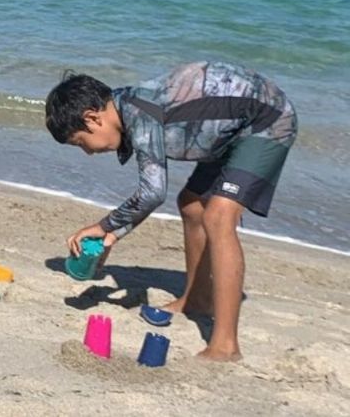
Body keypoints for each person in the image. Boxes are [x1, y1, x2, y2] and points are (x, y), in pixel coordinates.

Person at [44, 61, 297, 361]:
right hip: (229, 131)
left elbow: (152, 193)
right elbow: (152, 194)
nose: (88, 152)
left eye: (81, 143)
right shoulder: (125, 107)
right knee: (191, 204)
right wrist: (114, 235)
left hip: (266, 121)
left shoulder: (139, 114)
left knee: (218, 216)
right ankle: (198, 300)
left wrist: (104, 226)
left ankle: (226, 345)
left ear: (92, 118)